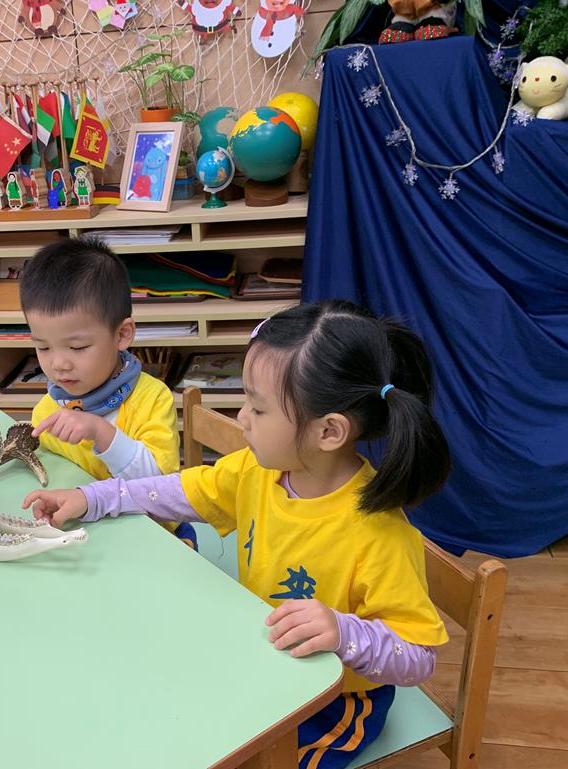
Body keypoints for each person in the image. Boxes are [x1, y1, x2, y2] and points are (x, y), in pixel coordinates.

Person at [24, 300, 453, 766]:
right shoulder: (257, 469)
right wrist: (92, 498)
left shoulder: (380, 534)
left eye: (258, 408)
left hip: (336, 702)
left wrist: (342, 631)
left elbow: (418, 655)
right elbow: (178, 492)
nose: (242, 417)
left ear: (329, 432)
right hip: (265, 659)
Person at [20, 238, 197, 549]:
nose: (58, 364)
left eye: (77, 347)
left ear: (122, 335)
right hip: (90, 538)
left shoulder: (152, 398)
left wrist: (101, 432)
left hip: (154, 538)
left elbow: (158, 488)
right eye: (43, 347)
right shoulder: (49, 408)